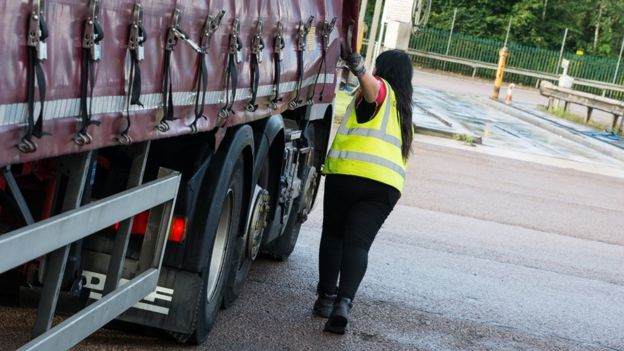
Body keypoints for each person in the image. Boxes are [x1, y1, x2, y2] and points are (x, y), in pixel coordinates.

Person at [313, 48, 414, 334]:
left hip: (348, 175)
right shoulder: (404, 111)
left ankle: (325, 299)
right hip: (385, 187)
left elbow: (372, 90)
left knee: (334, 235)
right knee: (358, 244)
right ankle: (344, 304)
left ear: (384, 70)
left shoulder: (383, 92)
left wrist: (358, 66)